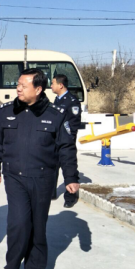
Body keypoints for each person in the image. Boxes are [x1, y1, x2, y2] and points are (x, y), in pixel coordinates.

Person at [0, 69, 80, 269]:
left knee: (38, 226)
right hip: (15, 177)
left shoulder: (55, 115)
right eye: (18, 84)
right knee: (18, 223)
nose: (18, 88)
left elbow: (66, 148)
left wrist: (71, 177)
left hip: (43, 178)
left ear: (38, 89)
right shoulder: (7, 112)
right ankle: (12, 267)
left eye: (23, 85)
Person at [51, 74, 82, 207]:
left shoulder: (72, 101)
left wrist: (68, 139)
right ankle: (51, 193)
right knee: (52, 166)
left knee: (69, 168)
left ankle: (70, 197)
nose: (51, 86)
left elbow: (74, 124)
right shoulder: (57, 100)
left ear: (60, 85)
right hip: (55, 140)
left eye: (53, 83)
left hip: (66, 141)